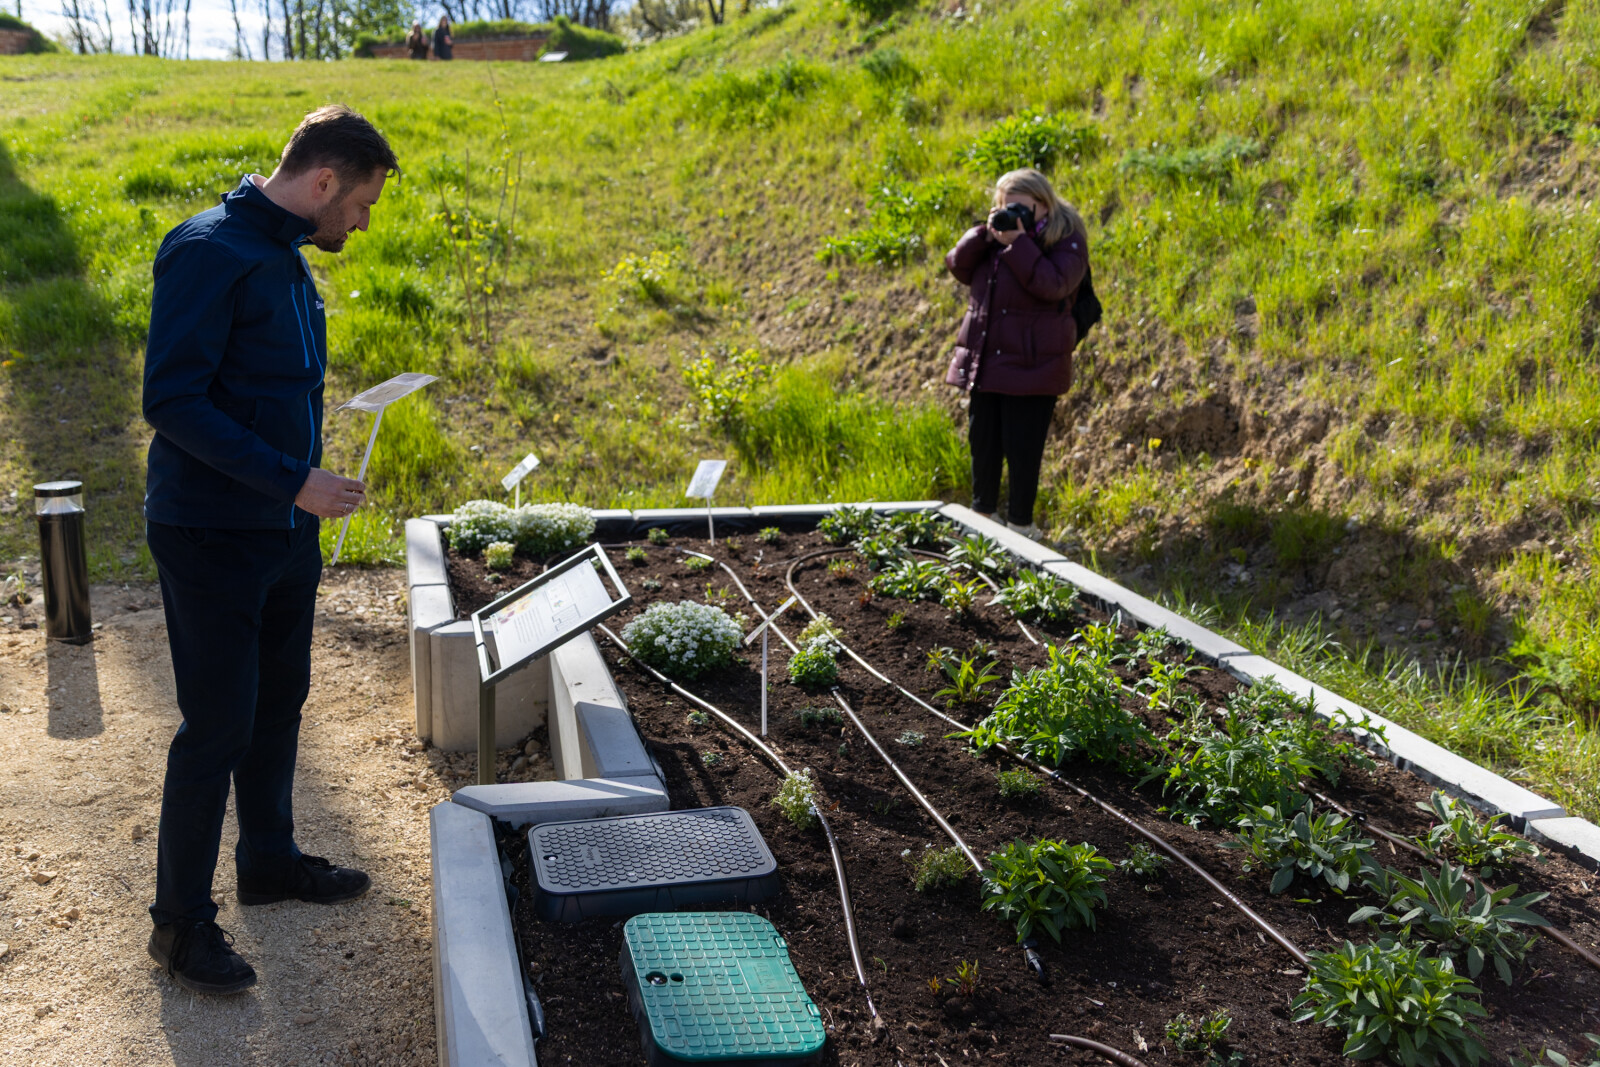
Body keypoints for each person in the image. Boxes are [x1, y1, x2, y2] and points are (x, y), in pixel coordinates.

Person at [141, 104, 400, 996]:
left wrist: (299, 492)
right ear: (323, 182)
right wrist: (295, 480)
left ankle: (268, 858)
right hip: (210, 533)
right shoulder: (206, 249)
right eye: (360, 205)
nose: (361, 223)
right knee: (217, 724)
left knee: (279, 701)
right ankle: (178, 927)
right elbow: (172, 400)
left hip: (284, 532)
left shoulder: (285, 252)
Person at [943, 167, 1088, 540]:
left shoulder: (1066, 240)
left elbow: (1054, 285)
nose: (1013, 215)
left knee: (1023, 451)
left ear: (1044, 205)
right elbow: (957, 264)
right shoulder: (993, 238)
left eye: (1020, 208)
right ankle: (982, 525)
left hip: (1034, 365)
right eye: (1005, 206)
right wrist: (985, 233)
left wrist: (1019, 244)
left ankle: (1022, 528)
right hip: (988, 360)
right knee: (983, 446)